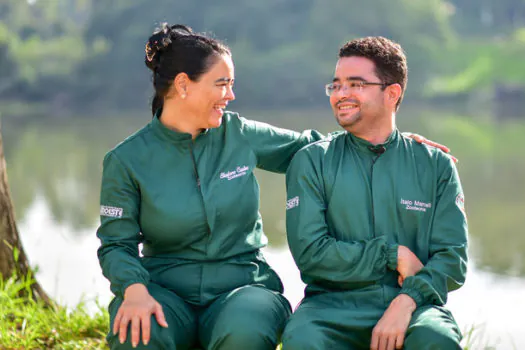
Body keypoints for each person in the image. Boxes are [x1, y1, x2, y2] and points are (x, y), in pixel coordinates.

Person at [96, 23, 452, 350]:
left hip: (242, 286)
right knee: (137, 330)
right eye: (222, 84)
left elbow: (317, 148)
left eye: (231, 84)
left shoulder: (239, 134)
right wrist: (134, 288)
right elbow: (116, 244)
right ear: (184, 85)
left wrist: (394, 143)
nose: (231, 95)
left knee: (245, 330)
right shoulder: (126, 161)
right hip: (164, 288)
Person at [282, 36, 468, 350]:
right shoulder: (312, 161)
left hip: (416, 305)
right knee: (303, 340)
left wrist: (408, 299)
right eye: (336, 85)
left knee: (436, 339)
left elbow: (453, 260)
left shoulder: (436, 165)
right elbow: (312, 255)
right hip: (329, 309)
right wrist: (390, 254)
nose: (341, 94)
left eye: (355, 84)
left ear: (392, 93)